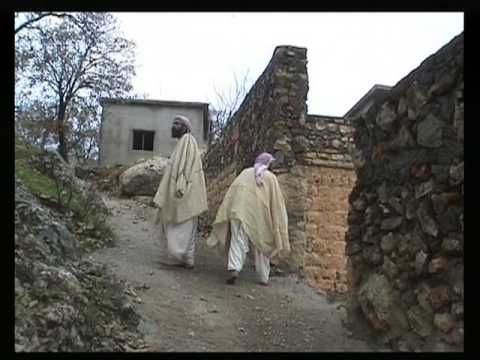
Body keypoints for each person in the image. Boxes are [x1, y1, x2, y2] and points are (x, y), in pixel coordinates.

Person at [206, 152, 290, 285]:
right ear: (268, 164)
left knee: (237, 240)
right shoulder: (270, 178)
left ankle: (234, 268)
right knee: (262, 244)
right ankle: (263, 277)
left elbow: (231, 193)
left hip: (238, 211)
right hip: (259, 216)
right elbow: (276, 203)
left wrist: (227, 210)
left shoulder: (245, 173)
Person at [153, 115, 208, 269]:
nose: (174, 126)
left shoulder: (187, 141)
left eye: (177, 124)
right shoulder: (185, 142)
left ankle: (176, 256)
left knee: (179, 223)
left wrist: (180, 187)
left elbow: (185, 167)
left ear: (185, 128)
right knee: (188, 225)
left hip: (183, 190)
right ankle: (187, 259)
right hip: (186, 190)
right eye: (173, 123)